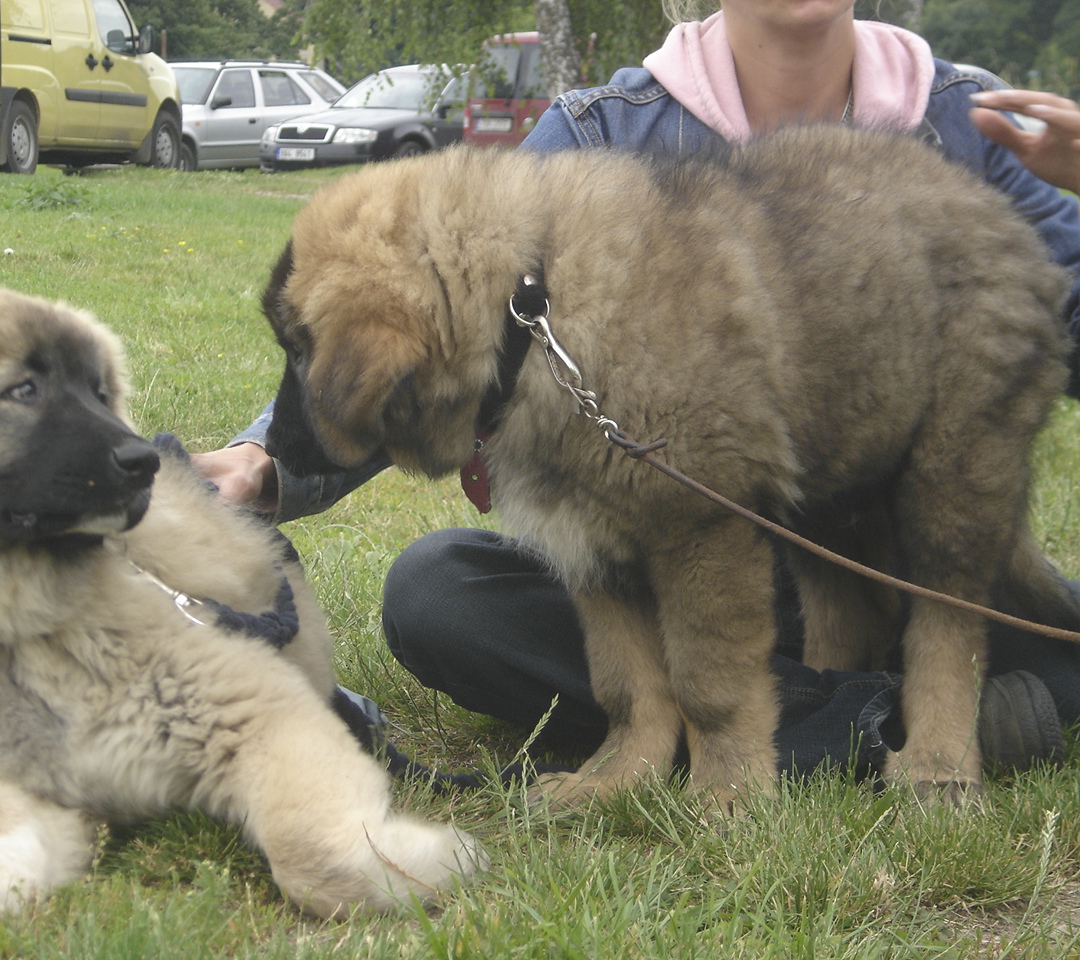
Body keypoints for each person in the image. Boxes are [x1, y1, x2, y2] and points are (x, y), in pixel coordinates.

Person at [193, 0, 1080, 777]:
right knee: (437, 592)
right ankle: (869, 716)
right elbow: (436, 318)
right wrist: (264, 461)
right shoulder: (606, 129)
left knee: (1000, 602)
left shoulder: (978, 120)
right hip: (707, 568)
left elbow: (1051, 345)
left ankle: (889, 710)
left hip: (908, 549)